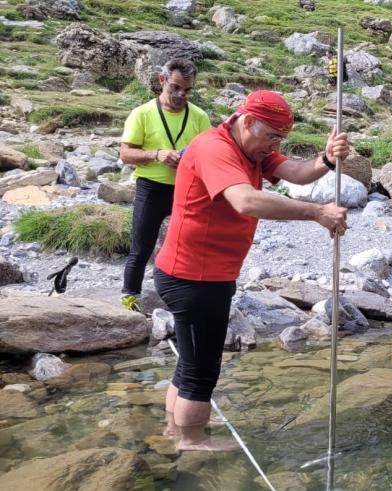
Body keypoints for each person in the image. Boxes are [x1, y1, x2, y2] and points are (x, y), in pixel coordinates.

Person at [154, 90, 350, 451]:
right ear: (247, 123)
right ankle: (192, 441)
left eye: (281, 138)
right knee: (202, 370)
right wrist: (316, 212)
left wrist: (325, 158)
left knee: (191, 361)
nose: (275, 145)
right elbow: (245, 200)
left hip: (205, 274)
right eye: (272, 136)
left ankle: (175, 428)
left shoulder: (249, 147)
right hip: (194, 276)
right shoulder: (214, 149)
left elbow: (295, 172)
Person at [119, 59, 212, 313]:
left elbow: (210, 153)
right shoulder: (142, 113)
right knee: (142, 245)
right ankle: (129, 298)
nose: (181, 94)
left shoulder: (200, 117)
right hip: (151, 186)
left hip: (189, 188)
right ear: (162, 81)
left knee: (192, 244)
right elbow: (126, 154)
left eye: (188, 90)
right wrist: (157, 154)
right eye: (176, 87)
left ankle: (190, 296)